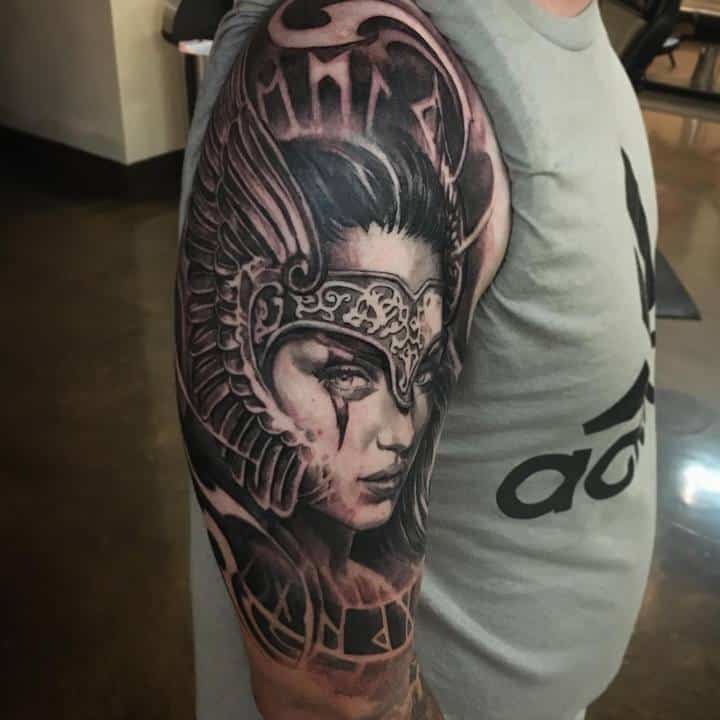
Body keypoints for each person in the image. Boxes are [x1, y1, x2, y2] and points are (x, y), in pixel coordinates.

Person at [177, 1, 657, 719]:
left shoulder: (567, 32)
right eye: (347, 373)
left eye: (419, 372)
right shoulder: (407, 63)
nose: (396, 430)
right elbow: (326, 701)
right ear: (260, 332)